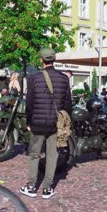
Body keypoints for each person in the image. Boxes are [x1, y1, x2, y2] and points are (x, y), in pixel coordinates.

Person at [20, 48, 72, 199]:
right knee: (52, 155)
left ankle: (31, 186)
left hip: (37, 122)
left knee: (34, 154)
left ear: (41, 60)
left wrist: (29, 120)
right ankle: (47, 188)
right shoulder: (64, 78)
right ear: (54, 60)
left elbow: (29, 102)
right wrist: (66, 122)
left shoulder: (34, 77)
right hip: (55, 123)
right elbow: (68, 103)